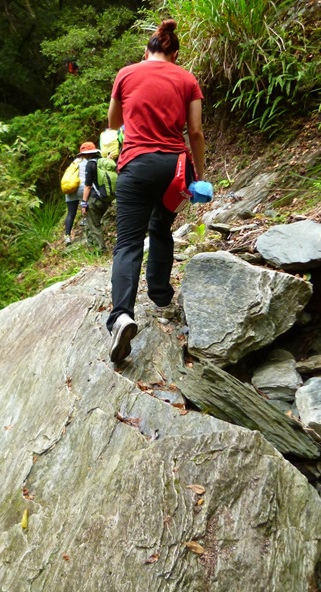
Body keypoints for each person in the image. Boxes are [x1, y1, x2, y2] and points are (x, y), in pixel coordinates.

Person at [106, 19, 205, 363]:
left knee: (129, 242)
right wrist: (199, 175)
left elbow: (113, 123)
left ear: (145, 50)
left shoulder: (126, 74)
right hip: (175, 168)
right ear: (174, 53)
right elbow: (195, 132)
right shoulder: (187, 78)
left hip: (136, 164)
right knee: (161, 227)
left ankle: (121, 315)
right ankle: (161, 296)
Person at [80, 144, 112, 253]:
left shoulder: (90, 164)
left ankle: (100, 250)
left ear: (87, 154)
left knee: (94, 225)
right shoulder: (102, 161)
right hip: (106, 198)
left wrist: (84, 203)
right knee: (95, 223)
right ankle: (93, 249)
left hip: (94, 199)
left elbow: (87, 186)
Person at [63, 142, 97, 245]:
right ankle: (85, 220)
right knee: (87, 204)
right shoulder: (90, 161)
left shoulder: (74, 162)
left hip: (71, 188)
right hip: (83, 188)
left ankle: (67, 236)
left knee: (71, 213)